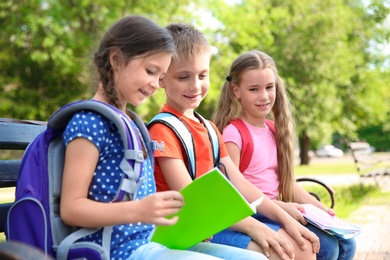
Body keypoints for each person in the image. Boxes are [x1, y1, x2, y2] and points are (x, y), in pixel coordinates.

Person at [60, 15, 268, 260]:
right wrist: (139, 210)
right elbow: (71, 208)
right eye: (150, 71)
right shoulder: (90, 121)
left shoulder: (132, 125)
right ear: (116, 59)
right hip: (113, 251)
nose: (154, 84)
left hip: (152, 241)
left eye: (160, 77)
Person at [148, 23, 320, 260]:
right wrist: (254, 226)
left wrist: (284, 217)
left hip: (215, 223)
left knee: (302, 248)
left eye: (202, 75)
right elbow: (193, 200)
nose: (195, 86)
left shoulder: (208, 128)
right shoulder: (162, 130)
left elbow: (240, 185)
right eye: (183, 77)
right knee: (285, 254)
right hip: (184, 234)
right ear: (162, 79)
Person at [211, 50, 357, 260]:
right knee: (326, 247)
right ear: (236, 91)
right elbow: (233, 191)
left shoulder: (271, 129)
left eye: (269, 87)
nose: (264, 96)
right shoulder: (234, 133)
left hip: (275, 211)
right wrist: (283, 208)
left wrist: (321, 209)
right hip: (254, 214)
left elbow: (286, 183)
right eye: (254, 89)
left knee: (347, 244)